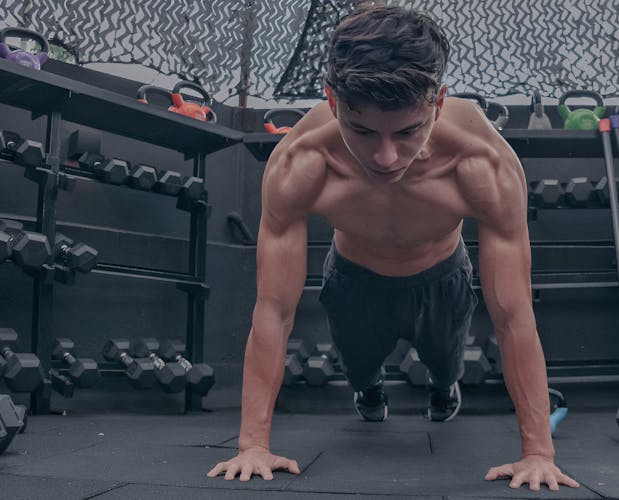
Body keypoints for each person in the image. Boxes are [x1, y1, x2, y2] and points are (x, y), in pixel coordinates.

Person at [208, 4, 580, 491]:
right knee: (360, 368)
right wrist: (252, 444)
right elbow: (274, 309)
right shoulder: (302, 161)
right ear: (333, 101)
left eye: (408, 132)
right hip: (353, 278)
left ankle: (444, 389)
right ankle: (368, 389)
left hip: (443, 275)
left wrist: (538, 454)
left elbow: (513, 316)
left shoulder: (482, 163)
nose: (385, 157)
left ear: (439, 103)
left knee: (446, 363)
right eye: (362, 131)